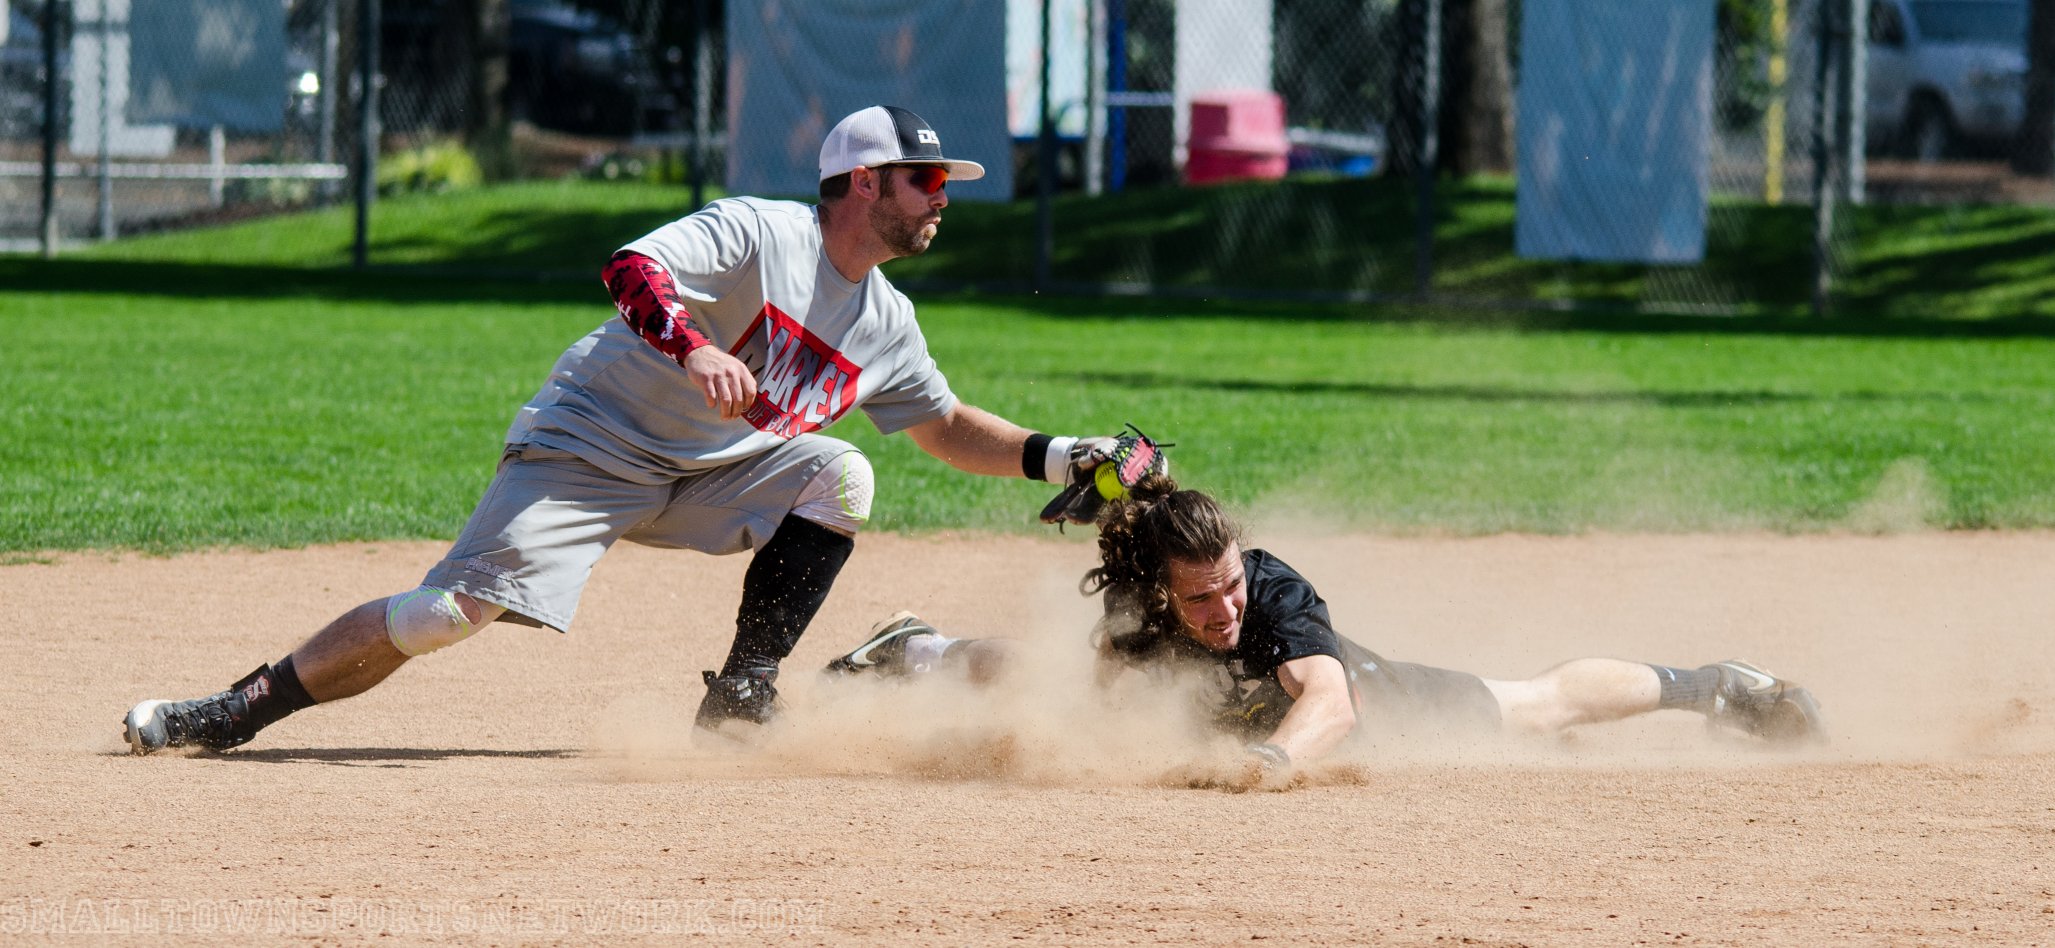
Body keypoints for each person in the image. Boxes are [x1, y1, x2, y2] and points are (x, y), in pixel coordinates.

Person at [122, 105, 1129, 755]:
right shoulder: (760, 232)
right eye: (928, 179)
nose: (942, 199)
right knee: (445, 616)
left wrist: (1062, 453)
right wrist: (694, 347)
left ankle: (742, 693)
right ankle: (240, 708)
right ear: (865, 183)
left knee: (842, 473)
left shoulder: (885, 322)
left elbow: (945, 425)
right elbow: (631, 270)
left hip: (714, 476)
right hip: (590, 446)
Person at [825, 476, 1825, 780]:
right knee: (1033, 672)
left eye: (1229, 588)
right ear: (1162, 588)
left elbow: (1332, 702)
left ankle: (1718, 686)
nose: (1225, 610)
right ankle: (911, 648)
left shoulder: (1278, 596)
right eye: (1201, 598)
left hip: (1390, 704)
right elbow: (1090, 690)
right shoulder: (1142, 608)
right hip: (1252, 720)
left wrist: (1272, 765)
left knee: (1536, 704)